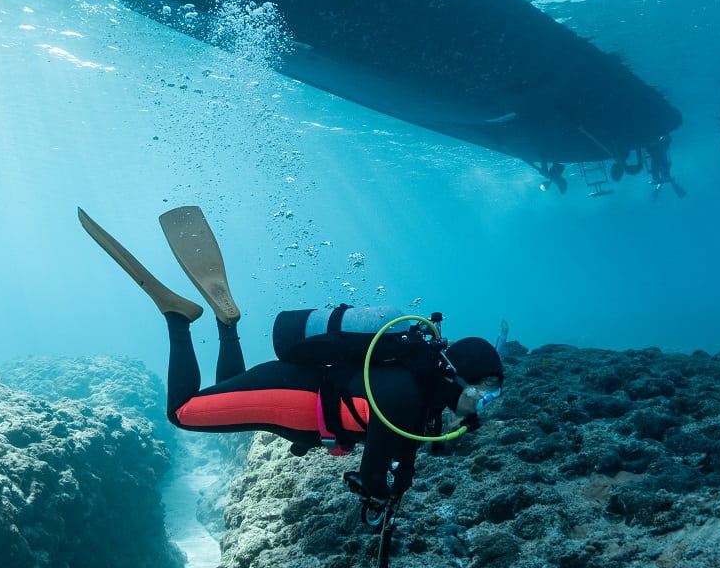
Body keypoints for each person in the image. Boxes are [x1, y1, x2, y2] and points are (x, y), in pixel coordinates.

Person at [77, 205, 505, 523]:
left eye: (490, 397)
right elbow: (372, 470)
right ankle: (178, 319)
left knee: (229, 389)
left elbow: (405, 448)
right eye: (483, 394)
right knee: (184, 413)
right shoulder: (408, 395)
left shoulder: (421, 390)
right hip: (291, 396)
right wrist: (378, 495)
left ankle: (227, 325)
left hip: (297, 400)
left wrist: (400, 479)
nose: (483, 404)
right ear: (458, 377)